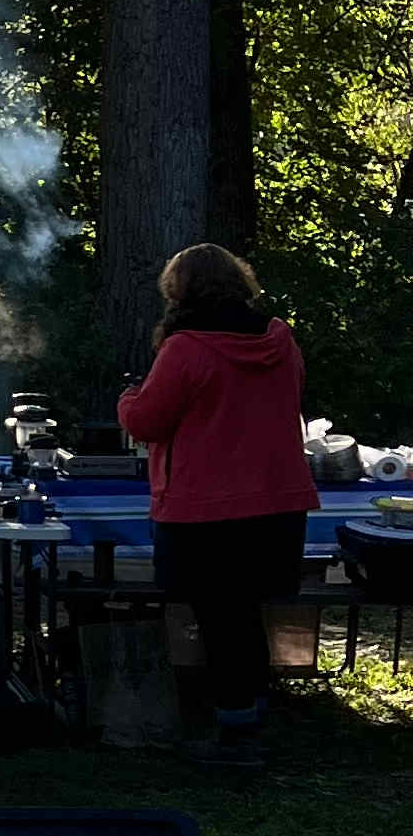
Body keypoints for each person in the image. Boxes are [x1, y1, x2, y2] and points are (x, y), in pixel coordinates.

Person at [117, 242, 317, 774]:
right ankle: (249, 718)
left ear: (178, 291)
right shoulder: (280, 340)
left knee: (220, 620)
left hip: (206, 506)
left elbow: (146, 423)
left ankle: (236, 735)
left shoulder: (185, 349)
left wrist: (128, 399)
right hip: (276, 502)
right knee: (247, 616)